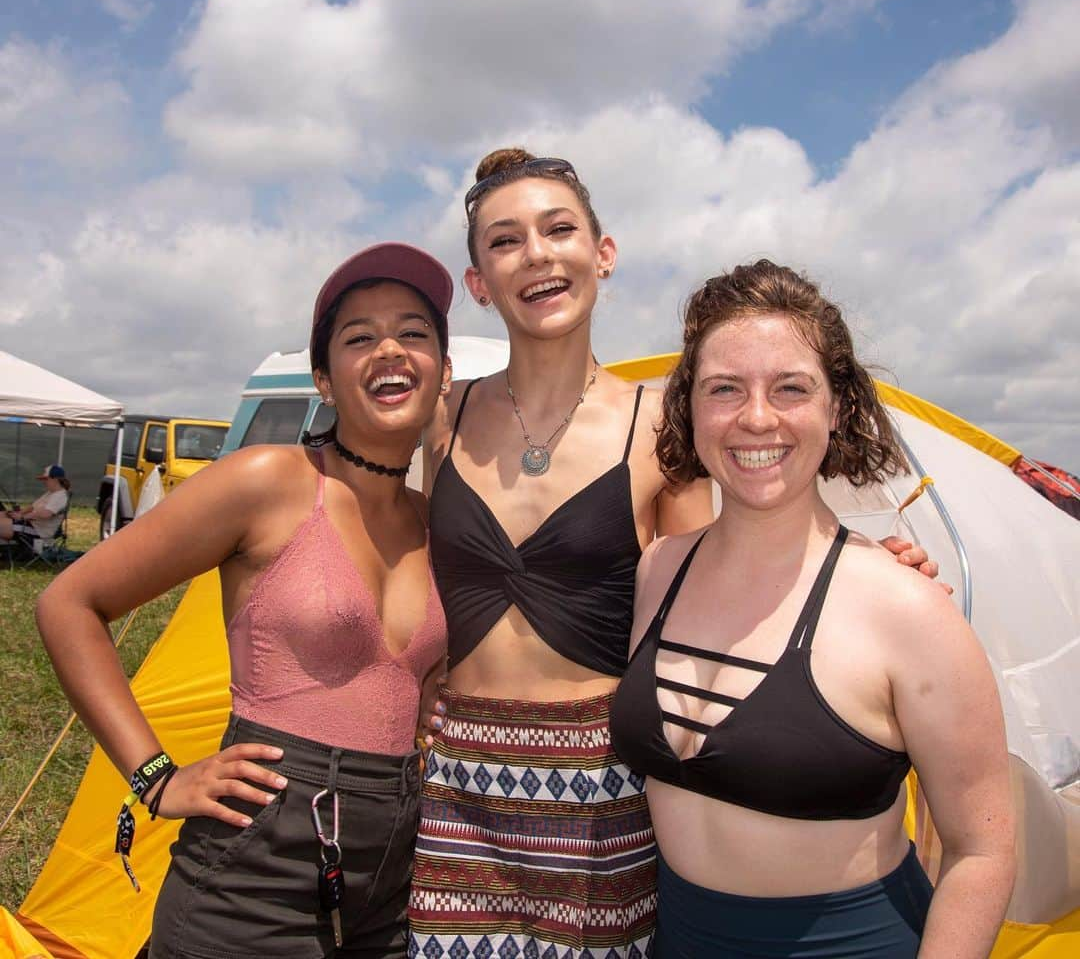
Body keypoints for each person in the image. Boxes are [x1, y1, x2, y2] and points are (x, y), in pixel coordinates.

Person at [407, 151, 945, 958]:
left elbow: (718, 573)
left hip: (606, 796)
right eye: (506, 241)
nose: (539, 255)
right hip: (459, 788)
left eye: (560, 229)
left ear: (604, 253)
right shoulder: (440, 418)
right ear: (479, 280)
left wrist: (865, 573)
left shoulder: (661, 426)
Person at [36, 243, 453, 959]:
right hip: (258, 864)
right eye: (360, 337)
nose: (390, 347)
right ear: (324, 379)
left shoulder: (437, 523)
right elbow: (69, 603)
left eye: (414, 331)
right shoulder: (271, 480)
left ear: (442, 370)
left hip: (394, 871)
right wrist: (155, 777)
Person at [609, 260, 1016, 958]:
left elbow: (983, 850)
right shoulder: (659, 568)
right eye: (724, 389)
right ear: (690, 408)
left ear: (838, 408)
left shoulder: (906, 609)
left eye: (791, 388)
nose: (757, 417)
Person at [1, 464, 70, 544]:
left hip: (38, 532)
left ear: (55, 479)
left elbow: (46, 514)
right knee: (3, 514)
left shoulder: (60, 496)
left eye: (46, 479)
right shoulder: (50, 493)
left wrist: (22, 517)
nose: (44, 482)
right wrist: (19, 513)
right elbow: (32, 507)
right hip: (29, 524)